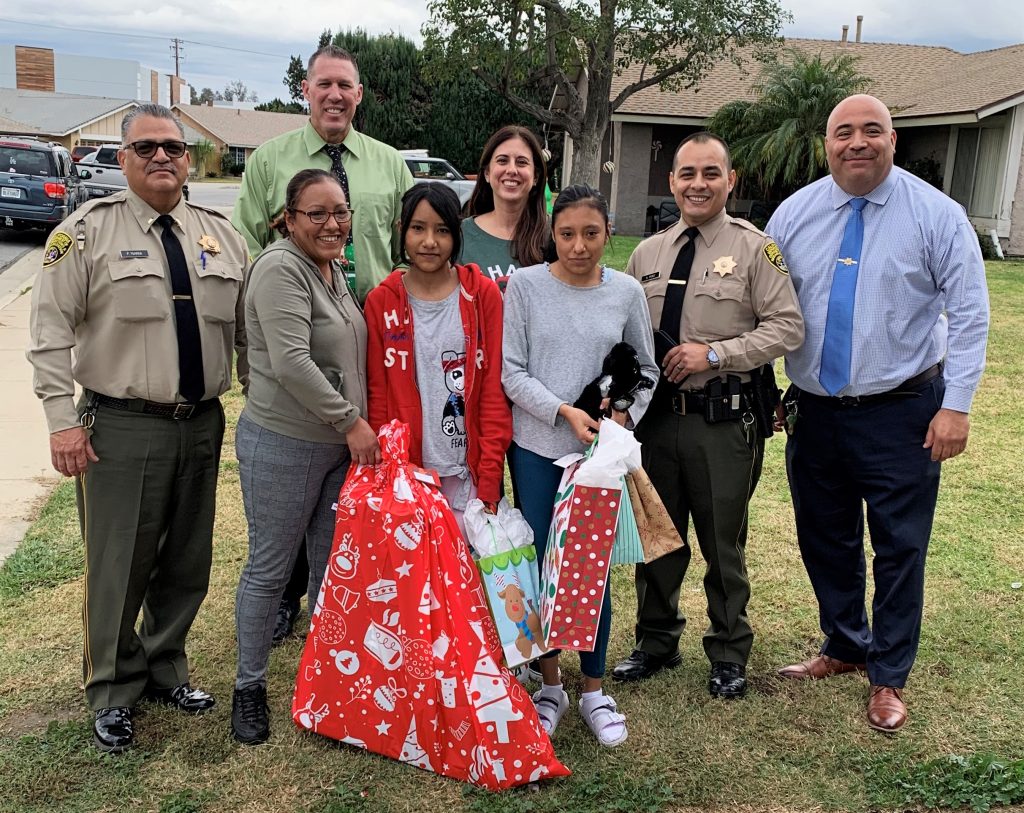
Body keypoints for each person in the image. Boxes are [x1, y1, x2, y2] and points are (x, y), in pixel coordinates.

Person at [26, 104, 248, 753]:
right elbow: (49, 334)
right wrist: (61, 422)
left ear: (189, 160)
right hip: (121, 426)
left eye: (173, 147)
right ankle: (112, 688)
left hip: (200, 422)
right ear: (122, 158)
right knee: (118, 563)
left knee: (187, 558)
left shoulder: (220, 235)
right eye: (146, 147)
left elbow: (245, 333)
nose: (161, 157)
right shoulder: (84, 234)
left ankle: (165, 665)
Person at [767, 94, 989, 731]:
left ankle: (888, 673)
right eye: (844, 132)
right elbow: (767, 300)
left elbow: (970, 314)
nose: (857, 142)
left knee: (899, 545)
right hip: (815, 411)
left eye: (872, 130)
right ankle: (844, 643)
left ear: (894, 140)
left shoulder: (938, 216)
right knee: (824, 535)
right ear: (827, 145)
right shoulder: (791, 217)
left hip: (903, 411)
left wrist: (956, 407)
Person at [232, 44, 413, 644]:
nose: (335, 95)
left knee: (338, 513)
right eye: (324, 84)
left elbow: (410, 246)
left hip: (365, 340)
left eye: (346, 86)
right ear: (305, 90)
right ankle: (281, 603)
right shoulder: (269, 160)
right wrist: (255, 350)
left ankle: (336, 615)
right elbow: (245, 249)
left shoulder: (389, 164)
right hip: (296, 340)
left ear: (359, 95)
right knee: (286, 502)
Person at [613, 132, 804, 699]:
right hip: (656, 422)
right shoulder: (647, 254)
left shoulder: (755, 249)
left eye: (710, 173)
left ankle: (728, 650)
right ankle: (655, 641)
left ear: (730, 180)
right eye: (687, 174)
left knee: (723, 543)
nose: (698, 184)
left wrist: (715, 354)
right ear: (672, 181)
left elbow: (787, 327)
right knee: (657, 536)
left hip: (722, 422)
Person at [502, 184, 658, 747]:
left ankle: (594, 688)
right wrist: (562, 411)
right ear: (552, 234)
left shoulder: (625, 292)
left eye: (591, 233)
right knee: (542, 563)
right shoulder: (524, 287)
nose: (578, 246)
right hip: (536, 449)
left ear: (608, 233)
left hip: (596, 458)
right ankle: (551, 687)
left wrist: (623, 416)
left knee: (591, 567)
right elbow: (511, 371)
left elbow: (646, 369)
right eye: (566, 234)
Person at [230, 169, 380, 745]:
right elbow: (292, 362)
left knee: (328, 567)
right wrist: (352, 421)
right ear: (288, 219)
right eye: (317, 213)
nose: (332, 223)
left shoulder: (332, 269)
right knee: (270, 569)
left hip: (336, 449)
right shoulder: (279, 268)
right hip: (286, 443)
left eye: (340, 212)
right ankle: (249, 687)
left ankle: (325, 684)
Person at [365, 183, 510, 529]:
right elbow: (378, 396)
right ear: (402, 230)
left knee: (468, 563)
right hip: (407, 475)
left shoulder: (483, 296)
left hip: (468, 475)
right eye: (418, 228)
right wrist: (387, 470)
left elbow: (493, 392)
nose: (429, 241)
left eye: (442, 230)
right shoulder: (381, 302)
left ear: (457, 234)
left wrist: (489, 481)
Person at [461, 125, 549, 291]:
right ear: (487, 173)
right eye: (502, 160)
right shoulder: (461, 235)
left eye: (522, 162)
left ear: (536, 176)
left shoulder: (554, 235)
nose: (511, 170)